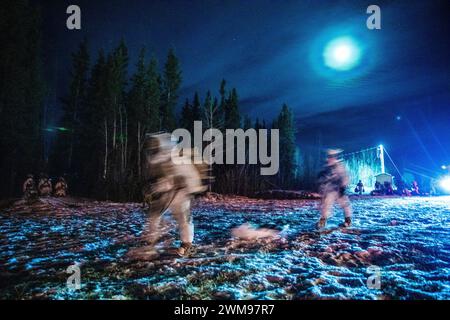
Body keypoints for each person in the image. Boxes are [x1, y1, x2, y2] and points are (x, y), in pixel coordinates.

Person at [141, 133, 207, 257]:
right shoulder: (158, 159)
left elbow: (190, 177)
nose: (152, 148)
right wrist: (154, 189)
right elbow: (160, 178)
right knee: (154, 217)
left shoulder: (179, 159)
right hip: (168, 193)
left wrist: (192, 189)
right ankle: (149, 244)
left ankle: (186, 245)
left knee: (182, 218)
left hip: (181, 193)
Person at [317, 149, 352, 229]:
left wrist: (343, 186)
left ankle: (348, 221)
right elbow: (323, 180)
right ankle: (322, 222)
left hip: (339, 189)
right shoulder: (326, 168)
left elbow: (345, 177)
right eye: (329, 157)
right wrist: (322, 189)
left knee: (345, 205)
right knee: (326, 205)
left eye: (332, 157)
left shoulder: (339, 166)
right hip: (330, 190)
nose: (330, 158)